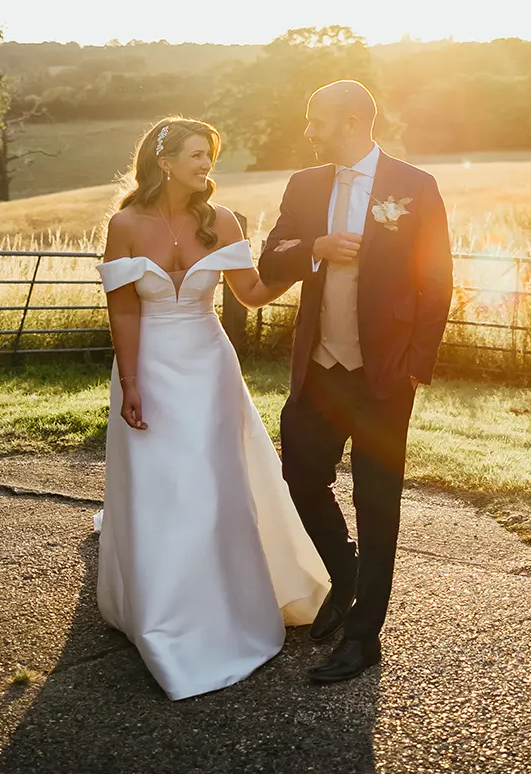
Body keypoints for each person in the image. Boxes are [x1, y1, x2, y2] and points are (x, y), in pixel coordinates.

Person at [94, 117, 330, 700]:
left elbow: (250, 293)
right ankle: (161, 613)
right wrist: (129, 381)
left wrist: (309, 258)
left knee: (214, 485)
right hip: (148, 367)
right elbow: (124, 310)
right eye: (197, 155)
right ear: (165, 160)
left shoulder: (220, 221)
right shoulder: (124, 224)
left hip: (208, 367)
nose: (206, 166)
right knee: (160, 487)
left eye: (210, 156)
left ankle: (226, 607)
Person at [258, 80, 454, 684]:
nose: (309, 131)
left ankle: (363, 637)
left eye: (316, 121)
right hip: (318, 370)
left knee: (377, 503)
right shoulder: (305, 184)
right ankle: (343, 574)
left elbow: (438, 280)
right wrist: (314, 247)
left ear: (349, 121)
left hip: (383, 378)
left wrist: (414, 367)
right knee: (300, 477)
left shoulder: (414, 187)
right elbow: (271, 257)